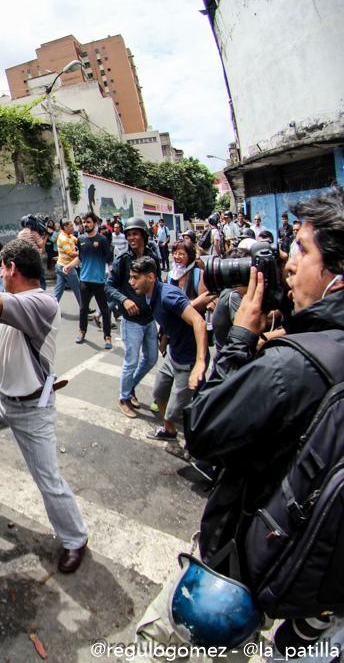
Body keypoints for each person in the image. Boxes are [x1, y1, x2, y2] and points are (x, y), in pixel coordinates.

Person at [133, 187, 344, 660]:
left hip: (250, 564)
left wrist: (241, 341)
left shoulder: (295, 367)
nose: (289, 265)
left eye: (303, 252)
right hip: (317, 570)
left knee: (162, 640)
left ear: (339, 273)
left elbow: (203, 432)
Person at [0, 238, 89, 573]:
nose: (0, 275)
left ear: (12, 269)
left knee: (48, 480)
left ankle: (76, 539)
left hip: (32, 409)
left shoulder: (41, 303)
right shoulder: (15, 301)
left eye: (2, 268)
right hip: (1, 400)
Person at [124, 258, 208, 442]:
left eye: (136, 278)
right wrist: (165, 337)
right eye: (131, 277)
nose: (132, 282)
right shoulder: (150, 294)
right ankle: (169, 432)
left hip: (189, 360)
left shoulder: (168, 296)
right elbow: (173, 319)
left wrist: (200, 362)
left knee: (175, 412)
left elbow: (199, 321)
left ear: (151, 277)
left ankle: (201, 441)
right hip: (174, 356)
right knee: (160, 395)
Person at [106, 217, 163, 418]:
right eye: (129, 234)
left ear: (144, 236)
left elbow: (159, 285)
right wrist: (124, 300)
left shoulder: (153, 258)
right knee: (131, 361)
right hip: (131, 322)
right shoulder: (122, 261)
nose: (131, 238)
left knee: (151, 359)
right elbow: (109, 286)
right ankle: (124, 398)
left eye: (135, 234)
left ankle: (130, 389)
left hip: (150, 319)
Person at [71, 212, 114, 348]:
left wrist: (112, 275)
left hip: (99, 281)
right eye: (84, 222)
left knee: (105, 310)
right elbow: (80, 258)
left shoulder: (102, 240)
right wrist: (69, 265)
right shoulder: (81, 239)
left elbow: (109, 260)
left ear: (95, 223)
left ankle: (107, 337)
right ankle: (82, 332)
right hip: (84, 280)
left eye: (88, 222)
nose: (86, 224)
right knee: (83, 309)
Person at [168, 240, 214, 314]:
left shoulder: (199, 274)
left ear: (190, 256)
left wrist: (182, 307)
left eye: (181, 254)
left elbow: (202, 304)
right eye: (175, 253)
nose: (177, 257)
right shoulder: (170, 275)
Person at [54, 219, 82, 306]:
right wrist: (82, 253)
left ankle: (51, 307)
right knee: (78, 288)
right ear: (65, 227)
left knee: (59, 289)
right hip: (67, 267)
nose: (73, 228)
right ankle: (84, 309)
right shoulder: (63, 238)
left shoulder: (69, 236)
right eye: (71, 226)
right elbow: (70, 254)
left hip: (61, 265)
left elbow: (77, 241)